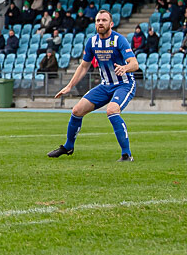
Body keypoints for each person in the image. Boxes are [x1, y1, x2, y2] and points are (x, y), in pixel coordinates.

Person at [49, 10, 138, 161]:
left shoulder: (119, 40)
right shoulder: (92, 42)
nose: (100, 23)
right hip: (105, 85)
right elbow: (84, 66)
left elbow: (134, 63)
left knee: (112, 110)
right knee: (77, 110)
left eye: (104, 20)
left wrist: (125, 68)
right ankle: (68, 146)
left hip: (124, 84)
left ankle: (126, 154)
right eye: (98, 20)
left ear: (111, 24)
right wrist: (69, 86)